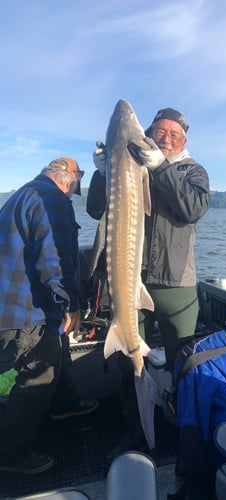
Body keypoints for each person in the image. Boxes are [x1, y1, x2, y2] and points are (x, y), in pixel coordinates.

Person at [87, 107, 210, 439]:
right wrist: (103, 172)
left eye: (173, 134)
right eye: (160, 132)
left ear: (183, 139)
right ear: (149, 134)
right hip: (131, 280)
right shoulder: (131, 165)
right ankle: (136, 430)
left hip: (176, 285)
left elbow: (191, 209)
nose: (166, 138)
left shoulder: (193, 172)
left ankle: (187, 430)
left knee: (183, 359)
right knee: (129, 359)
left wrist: (160, 167)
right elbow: (94, 209)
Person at [0, 158, 97, 474]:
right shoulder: (52, 198)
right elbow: (54, 259)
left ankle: (63, 405)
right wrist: (70, 305)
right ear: (69, 181)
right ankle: (11, 454)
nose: (72, 196)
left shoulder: (22, 194)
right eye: (74, 189)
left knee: (55, 353)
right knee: (40, 371)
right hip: (24, 310)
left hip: (10, 301)